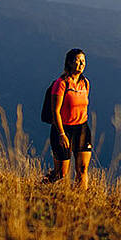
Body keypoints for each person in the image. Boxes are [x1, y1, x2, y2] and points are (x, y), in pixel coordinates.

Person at [43, 48, 93, 187]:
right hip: (63, 129)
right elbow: (55, 111)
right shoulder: (61, 83)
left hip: (82, 128)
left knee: (82, 169)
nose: (81, 64)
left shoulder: (85, 83)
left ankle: (81, 203)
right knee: (61, 173)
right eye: (78, 61)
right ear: (70, 63)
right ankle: (40, 187)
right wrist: (61, 134)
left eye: (83, 61)